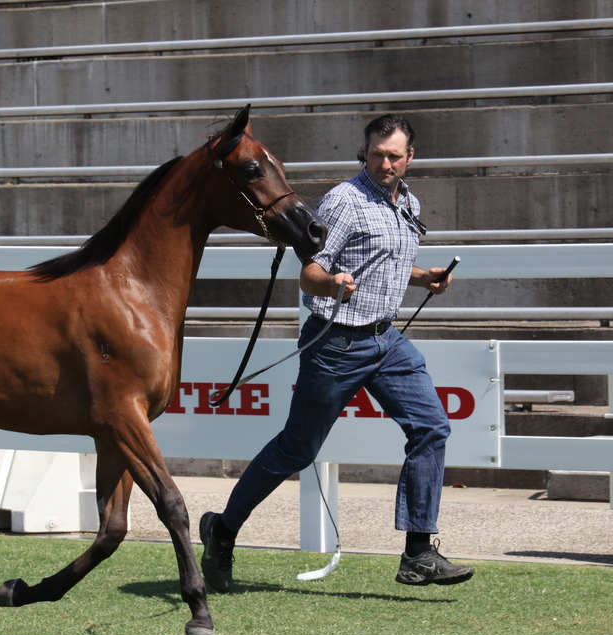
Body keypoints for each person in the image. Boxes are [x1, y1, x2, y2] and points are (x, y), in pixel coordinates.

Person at [199, 114, 474, 592]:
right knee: (297, 449)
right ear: (363, 153)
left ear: (410, 158)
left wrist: (423, 276)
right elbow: (310, 273)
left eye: (393, 155)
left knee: (431, 426)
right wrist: (332, 283)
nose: (384, 163)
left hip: (386, 341)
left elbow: (383, 258)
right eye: (375, 154)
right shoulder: (345, 201)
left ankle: (418, 553)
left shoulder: (407, 201)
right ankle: (221, 532)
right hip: (337, 343)